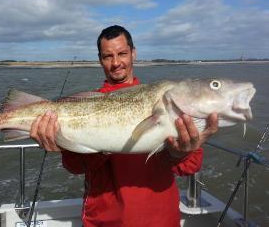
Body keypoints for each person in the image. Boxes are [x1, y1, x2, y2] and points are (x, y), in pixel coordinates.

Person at [30, 25, 218, 227]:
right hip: (105, 220)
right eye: (108, 56)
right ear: (100, 59)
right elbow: (74, 167)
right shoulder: (84, 105)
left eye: (122, 53)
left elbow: (189, 166)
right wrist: (59, 141)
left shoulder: (166, 101)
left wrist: (183, 151)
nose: (116, 63)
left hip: (161, 218)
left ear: (133, 53)